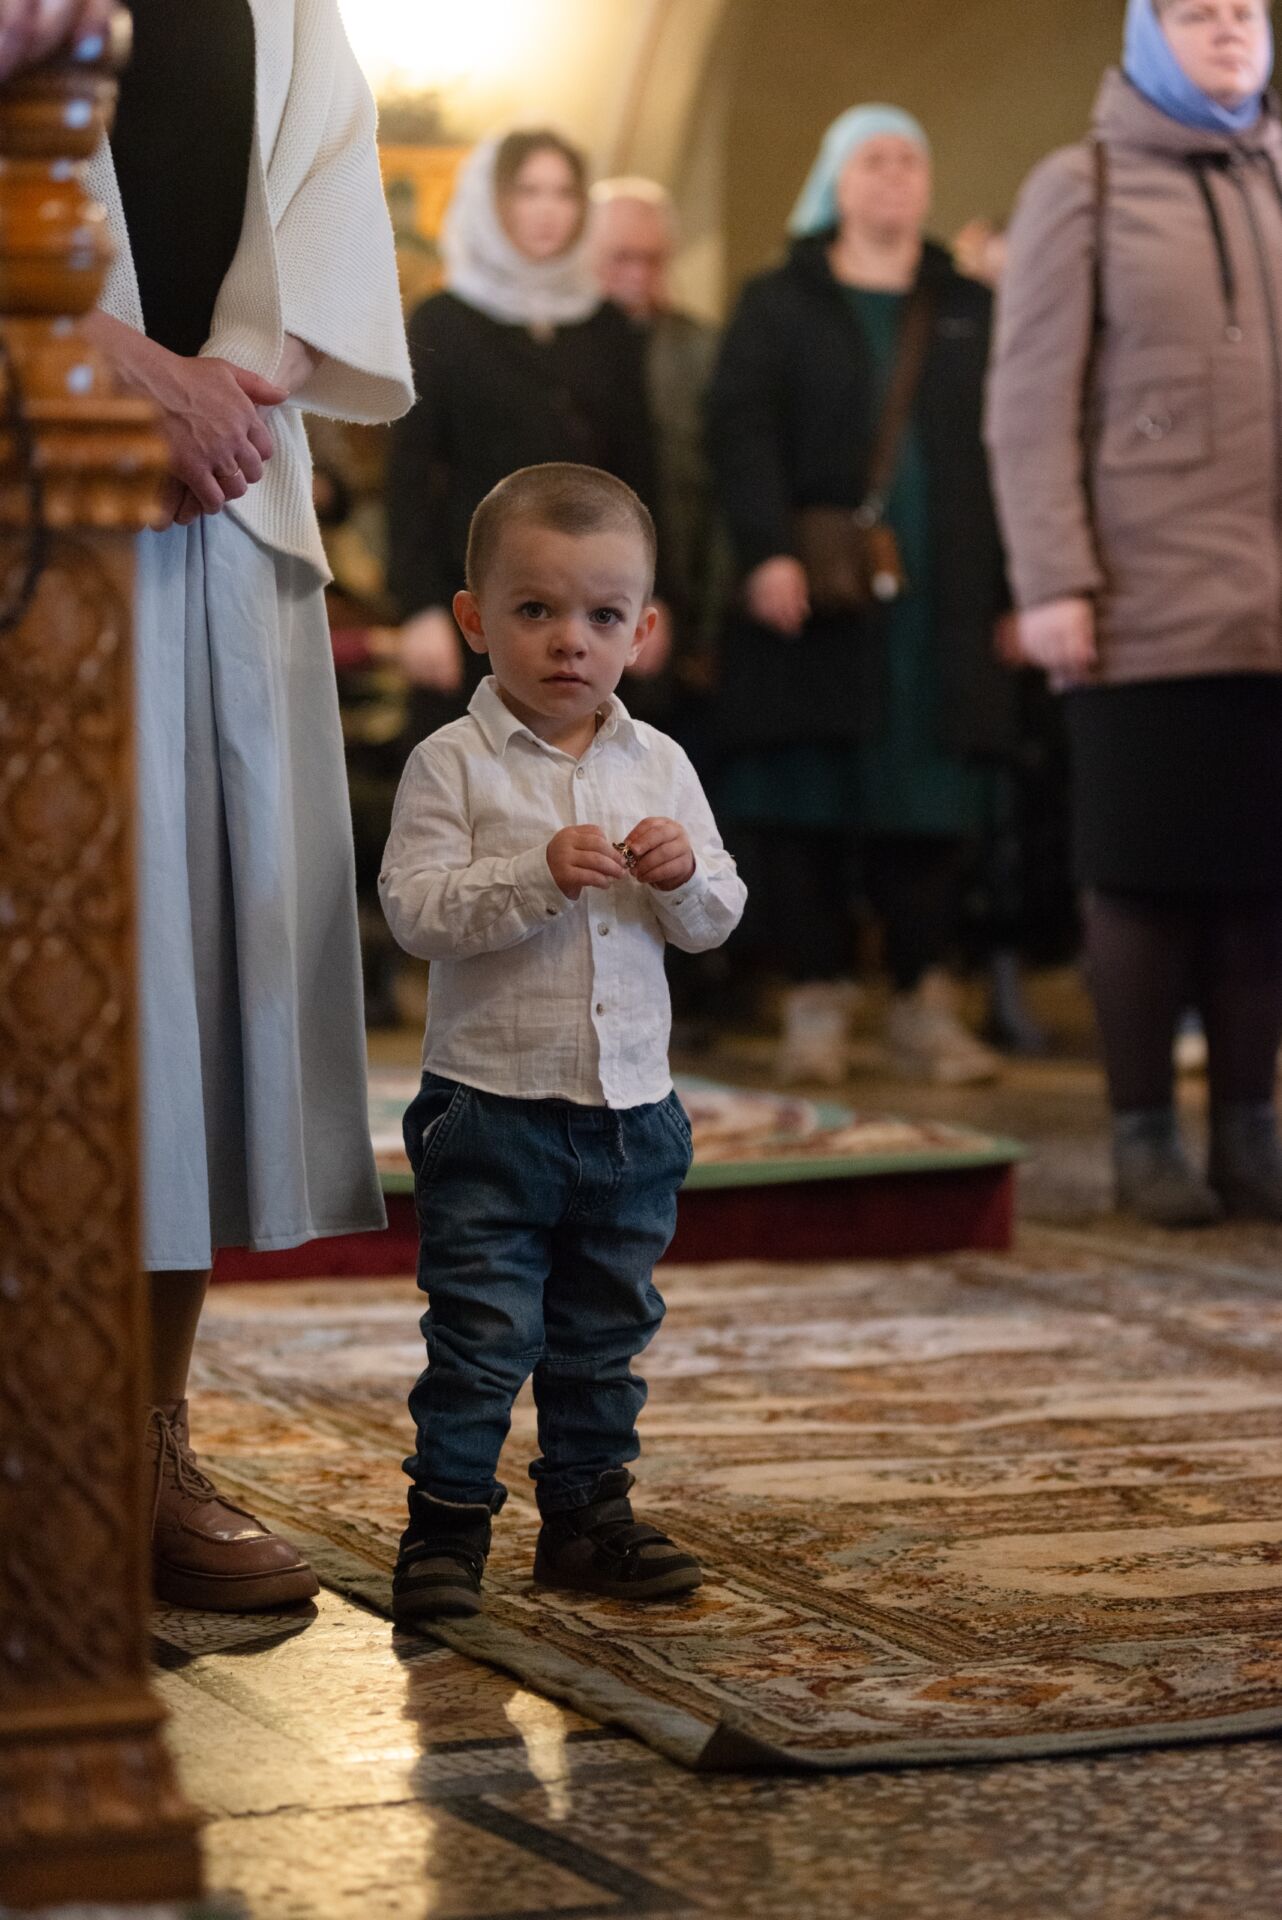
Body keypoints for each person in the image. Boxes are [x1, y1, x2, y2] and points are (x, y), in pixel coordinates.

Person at [80, 0, 413, 1606]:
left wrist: (221, 386)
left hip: (224, 483)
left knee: (194, 985)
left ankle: (140, 1445)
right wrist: (109, 364)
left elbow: (327, 194)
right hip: (34, 458)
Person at [378, 463, 746, 1621]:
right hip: (491, 1106)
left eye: (601, 615)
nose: (568, 641)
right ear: (473, 619)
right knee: (482, 1334)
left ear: (643, 631)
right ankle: (444, 1529)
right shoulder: (452, 763)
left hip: (633, 1113)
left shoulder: (662, 765)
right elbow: (415, 911)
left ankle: (587, 1519)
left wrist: (682, 880)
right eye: (534, 610)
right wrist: (534, 876)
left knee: (603, 1334)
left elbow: (715, 917)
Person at [987, 0, 1282, 1227]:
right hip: (1139, 597)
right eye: (1195, 11)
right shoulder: (1084, 186)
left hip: (1271, 606)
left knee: (1260, 881)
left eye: (1243, 10)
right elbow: (1026, 404)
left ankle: (1250, 1131)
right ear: (1149, 34)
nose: (1227, 30)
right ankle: (1143, 1133)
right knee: (1145, 875)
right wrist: (1053, 578)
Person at [707, 106, 1016, 1085]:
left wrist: (1017, 590)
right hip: (818, 593)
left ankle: (924, 999)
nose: (892, 177)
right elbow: (741, 432)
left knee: (929, 798)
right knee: (808, 795)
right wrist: (767, 552)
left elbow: (1015, 444)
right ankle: (816, 997)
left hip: (942, 600)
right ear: (835, 179)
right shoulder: (779, 301)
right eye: (872, 160)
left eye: (909, 161)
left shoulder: (967, 304)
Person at [387, 130, 667, 718]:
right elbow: (410, 476)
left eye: (564, 193)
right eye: (528, 190)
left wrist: (654, 594)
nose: (547, 210)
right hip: (477, 594)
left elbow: (640, 468)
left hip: (597, 602)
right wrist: (419, 607)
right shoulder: (443, 322)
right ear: (493, 201)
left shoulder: (606, 325)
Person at [589, 178, 728, 723]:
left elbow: (716, 497)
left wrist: (707, 627)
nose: (638, 275)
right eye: (620, 258)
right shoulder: (558, 353)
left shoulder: (700, 352)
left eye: (652, 260)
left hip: (678, 594)